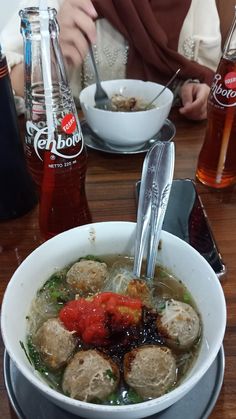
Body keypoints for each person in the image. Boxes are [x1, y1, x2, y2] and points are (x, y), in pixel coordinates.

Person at [0, 0, 235, 121]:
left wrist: (196, 91)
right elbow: (7, 82)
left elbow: (208, 74)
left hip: (174, 155)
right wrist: (47, 58)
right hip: (75, 155)